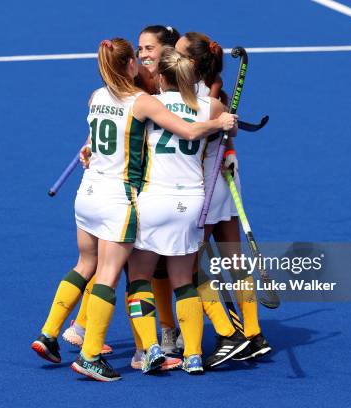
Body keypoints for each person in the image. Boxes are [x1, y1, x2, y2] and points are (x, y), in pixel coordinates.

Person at [34, 38, 237, 382]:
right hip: (120, 200)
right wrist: (219, 124)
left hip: (87, 194)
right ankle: (93, 354)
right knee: (112, 276)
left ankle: (49, 334)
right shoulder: (143, 102)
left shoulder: (95, 97)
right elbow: (188, 128)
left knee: (85, 265)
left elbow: (95, 140)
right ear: (130, 64)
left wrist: (87, 150)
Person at [127, 47, 238, 375]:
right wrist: (225, 120)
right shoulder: (211, 106)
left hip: (154, 201)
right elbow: (229, 128)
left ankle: (150, 349)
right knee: (183, 280)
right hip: (191, 203)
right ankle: (192, 355)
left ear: (161, 78)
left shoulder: (150, 105)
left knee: (138, 279)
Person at [176, 32, 272, 366]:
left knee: (188, 264)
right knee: (232, 259)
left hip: (203, 184)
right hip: (226, 181)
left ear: (192, 63)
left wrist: (228, 143)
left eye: (178, 54)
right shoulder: (214, 92)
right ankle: (253, 332)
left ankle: (228, 332)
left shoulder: (189, 95)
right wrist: (230, 145)